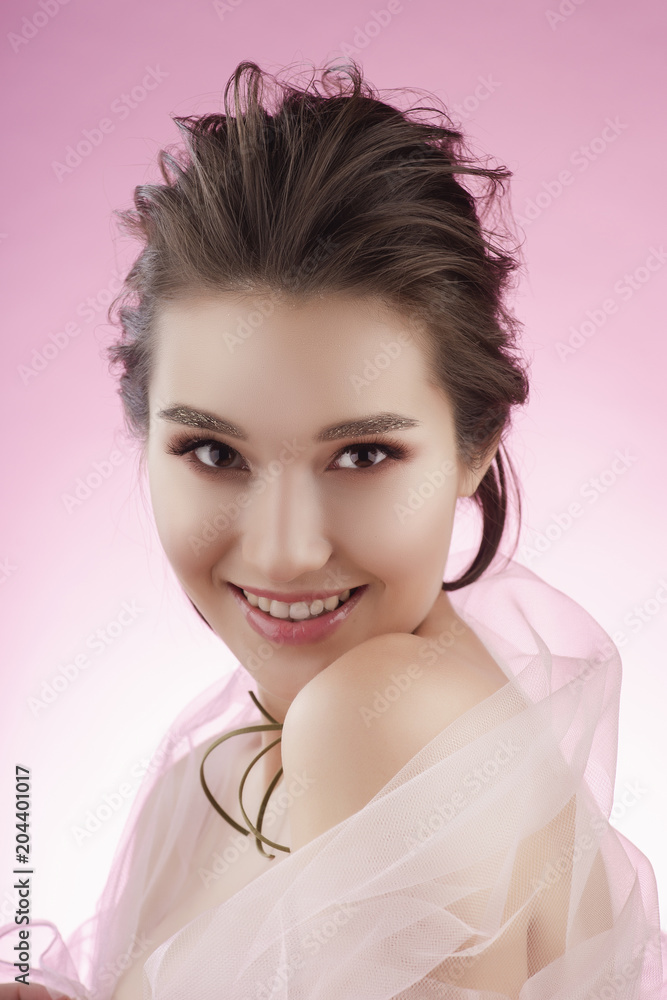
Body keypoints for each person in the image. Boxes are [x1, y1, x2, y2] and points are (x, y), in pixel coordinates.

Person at [1, 58, 665, 1000]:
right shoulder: (233, 757)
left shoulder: (382, 718)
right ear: (142, 437)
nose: (281, 549)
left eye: (359, 456)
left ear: (474, 449)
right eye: (212, 452)